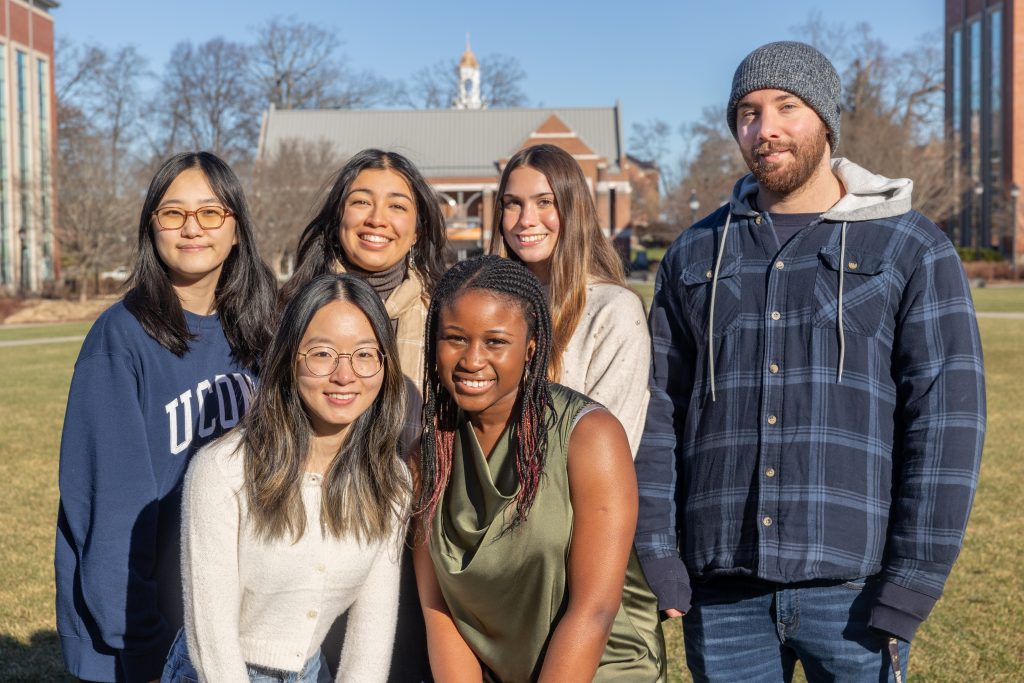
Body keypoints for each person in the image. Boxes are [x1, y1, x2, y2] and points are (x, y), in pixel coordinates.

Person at [634, 41, 986, 682]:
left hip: (855, 592)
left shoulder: (911, 245)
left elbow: (946, 422)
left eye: (786, 107)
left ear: (825, 119)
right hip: (722, 590)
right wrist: (658, 554)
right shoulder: (695, 255)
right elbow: (658, 412)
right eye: (747, 111)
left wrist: (910, 581)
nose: (764, 129)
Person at [55, 151, 278, 682]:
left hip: (227, 623)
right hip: (147, 636)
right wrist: (143, 645)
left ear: (237, 229)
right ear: (151, 226)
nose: (191, 228)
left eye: (210, 213)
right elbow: (109, 511)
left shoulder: (257, 329)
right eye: (173, 213)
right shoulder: (122, 338)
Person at [413, 255, 666, 682]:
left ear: (530, 347)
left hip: (602, 669)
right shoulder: (428, 453)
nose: (472, 359)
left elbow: (595, 609)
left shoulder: (589, 436)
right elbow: (437, 608)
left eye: (495, 342)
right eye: (455, 338)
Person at [161, 274, 411, 683]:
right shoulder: (222, 471)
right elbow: (213, 644)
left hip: (311, 673)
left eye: (365, 354)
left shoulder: (391, 481)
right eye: (323, 354)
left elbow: (372, 634)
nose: (345, 376)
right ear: (289, 359)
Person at [282, 149, 447, 681]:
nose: (378, 219)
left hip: (416, 544)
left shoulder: (446, 313)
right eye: (361, 202)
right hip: (312, 541)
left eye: (397, 205)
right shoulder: (291, 310)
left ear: (418, 225)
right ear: (338, 218)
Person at [490, 144, 650, 456]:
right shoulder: (487, 306)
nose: (526, 219)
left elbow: (607, 452)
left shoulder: (613, 310)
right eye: (513, 204)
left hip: (564, 501)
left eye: (544, 202)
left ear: (573, 208)